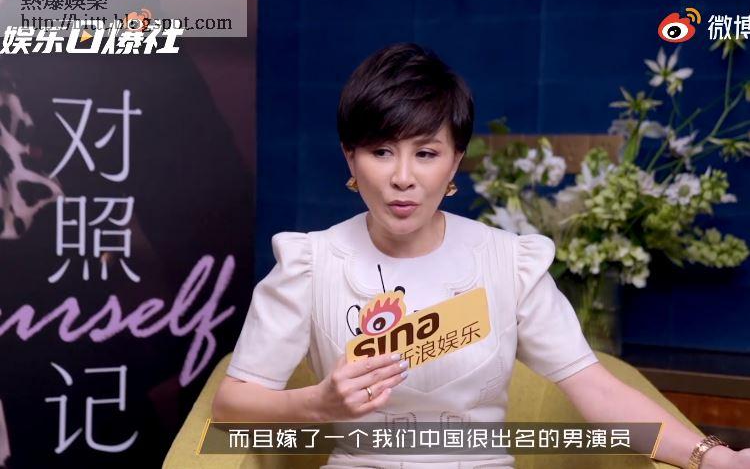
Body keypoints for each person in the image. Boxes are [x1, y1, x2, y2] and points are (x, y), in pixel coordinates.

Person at [212, 43, 750, 469]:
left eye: (427, 153)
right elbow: (232, 406)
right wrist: (319, 403)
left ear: (454, 163)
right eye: (381, 151)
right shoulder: (311, 262)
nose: (403, 177)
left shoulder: (506, 262)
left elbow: (596, 390)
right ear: (350, 158)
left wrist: (714, 458)